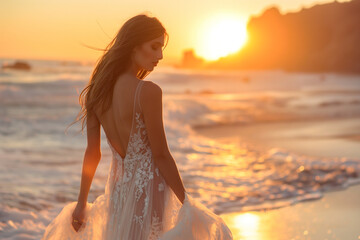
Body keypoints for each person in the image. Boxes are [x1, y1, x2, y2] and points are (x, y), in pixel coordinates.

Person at [42, 13, 233, 240]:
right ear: (134, 45)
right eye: (154, 47)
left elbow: (92, 154)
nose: (160, 55)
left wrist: (82, 203)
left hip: (118, 191)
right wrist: (187, 203)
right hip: (149, 189)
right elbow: (161, 155)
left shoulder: (96, 93)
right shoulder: (148, 92)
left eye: (161, 48)